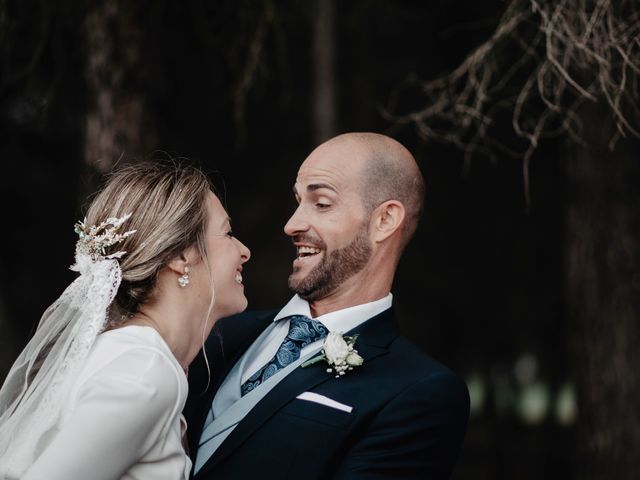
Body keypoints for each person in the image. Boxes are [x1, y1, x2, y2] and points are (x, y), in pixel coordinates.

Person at [184, 132, 470, 479]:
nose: (292, 225)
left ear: (385, 220)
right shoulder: (216, 331)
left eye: (321, 203)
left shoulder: (420, 393)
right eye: (297, 201)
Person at [0, 162, 250, 480]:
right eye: (228, 233)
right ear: (180, 256)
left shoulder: (128, 355)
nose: (245, 252)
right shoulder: (144, 374)